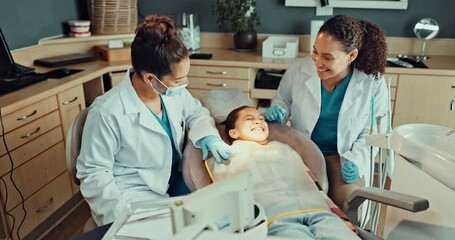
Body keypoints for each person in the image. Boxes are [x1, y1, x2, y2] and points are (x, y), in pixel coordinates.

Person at [76, 14, 232, 226]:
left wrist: (207, 136)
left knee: (223, 214)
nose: (184, 84)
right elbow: (94, 173)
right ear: (151, 78)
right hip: (134, 195)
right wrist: (120, 218)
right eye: (179, 80)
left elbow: (195, 111)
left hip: (173, 179)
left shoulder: (170, 91)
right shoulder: (107, 112)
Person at [263, 15, 389, 208]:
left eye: (328, 57)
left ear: (351, 56)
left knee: (347, 204)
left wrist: (356, 160)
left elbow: (375, 133)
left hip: (342, 157)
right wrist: (279, 110)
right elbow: (284, 100)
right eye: (315, 52)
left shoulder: (372, 82)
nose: (317, 62)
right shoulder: (298, 69)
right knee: (294, 203)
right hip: (303, 150)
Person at [206, 106, 360, 239]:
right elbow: (225, 199)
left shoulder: (284, 149)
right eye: (249, 118)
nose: (259, 121)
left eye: (261, 118)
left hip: (319, 212)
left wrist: (338, 216)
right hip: (277, 218)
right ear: (233, 133)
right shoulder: (227, 156)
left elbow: (315, 186)